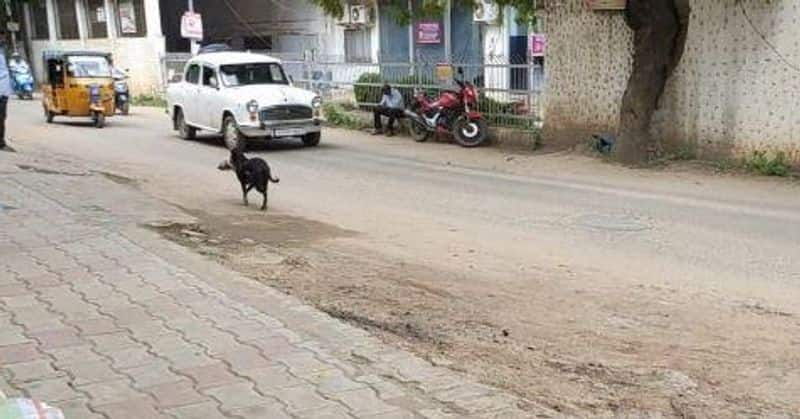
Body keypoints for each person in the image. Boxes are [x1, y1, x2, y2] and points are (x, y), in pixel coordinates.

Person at [0, 34, 13, 150]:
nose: (3, 40)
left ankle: (1, 142)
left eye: (3, 38)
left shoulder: (3, 53)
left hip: (4, 91)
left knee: (2, 116)